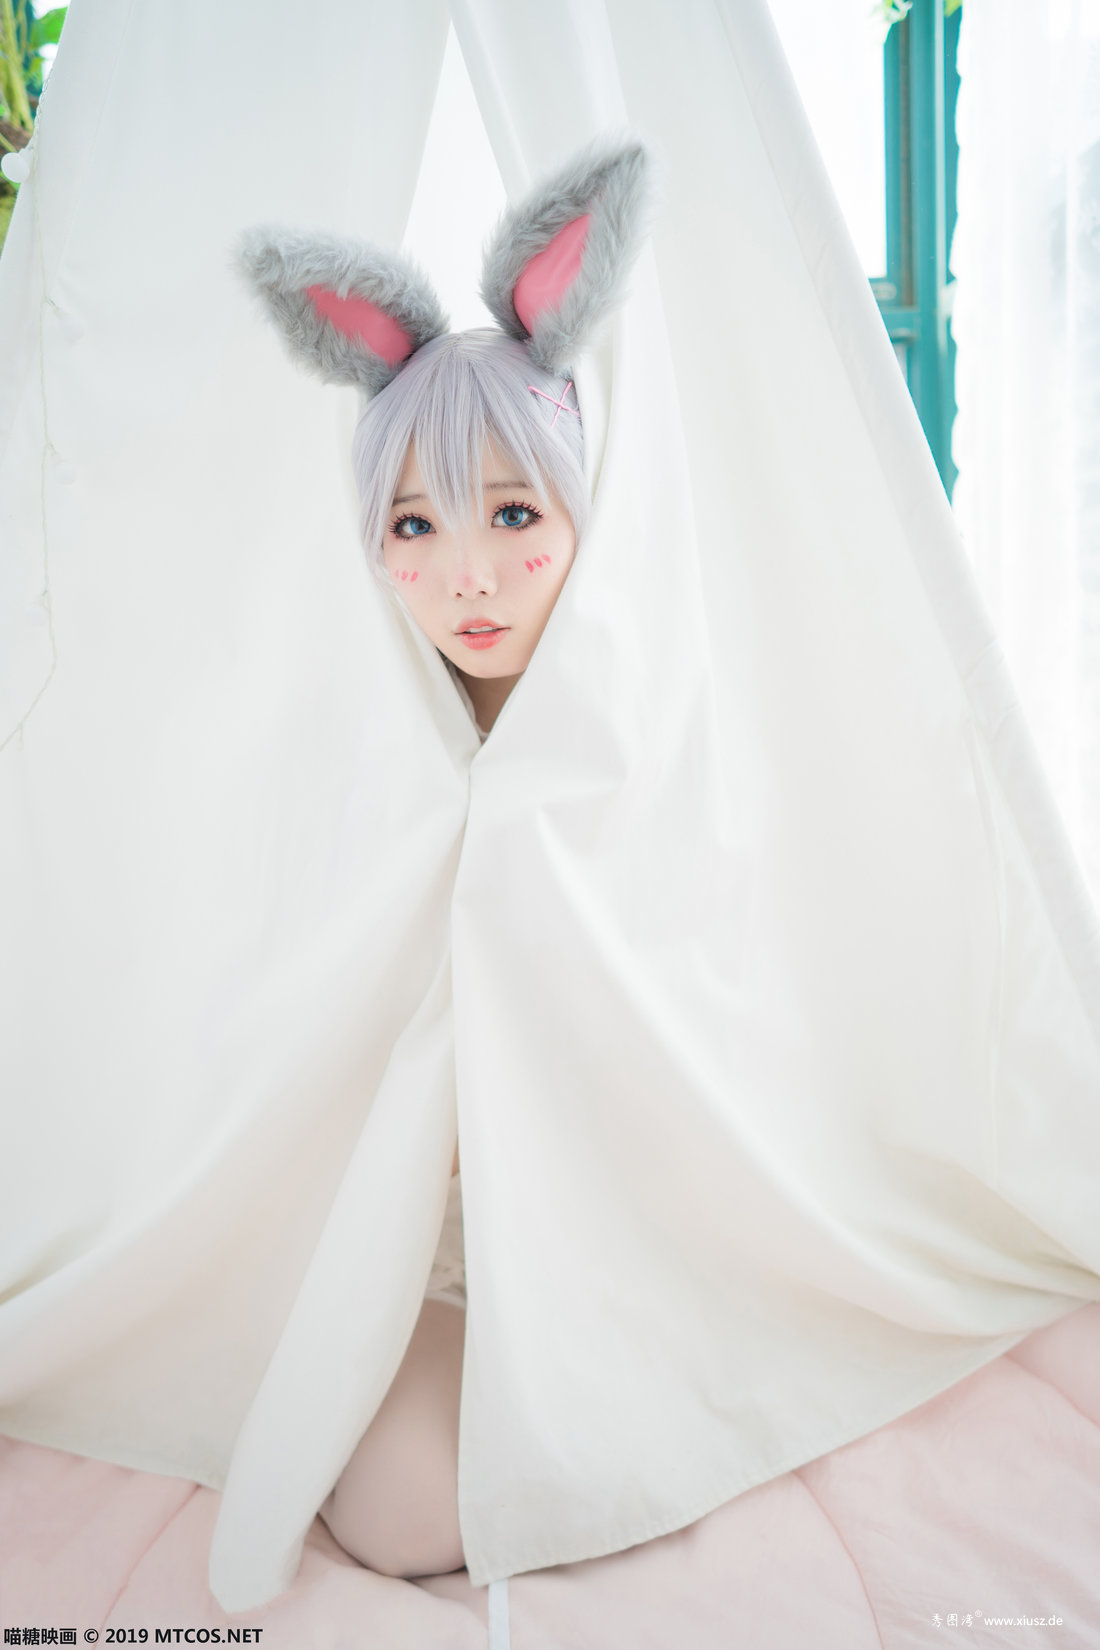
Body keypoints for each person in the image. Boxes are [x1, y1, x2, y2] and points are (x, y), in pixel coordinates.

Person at [240, 136, 651, 1583]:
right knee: (406, 1504)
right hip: (436, 1235)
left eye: (514, 513)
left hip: (617, 1225)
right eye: (413, 522)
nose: (465, 574)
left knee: (603, 1443)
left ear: (582, 506)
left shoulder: (632, 733)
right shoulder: (367, 741)